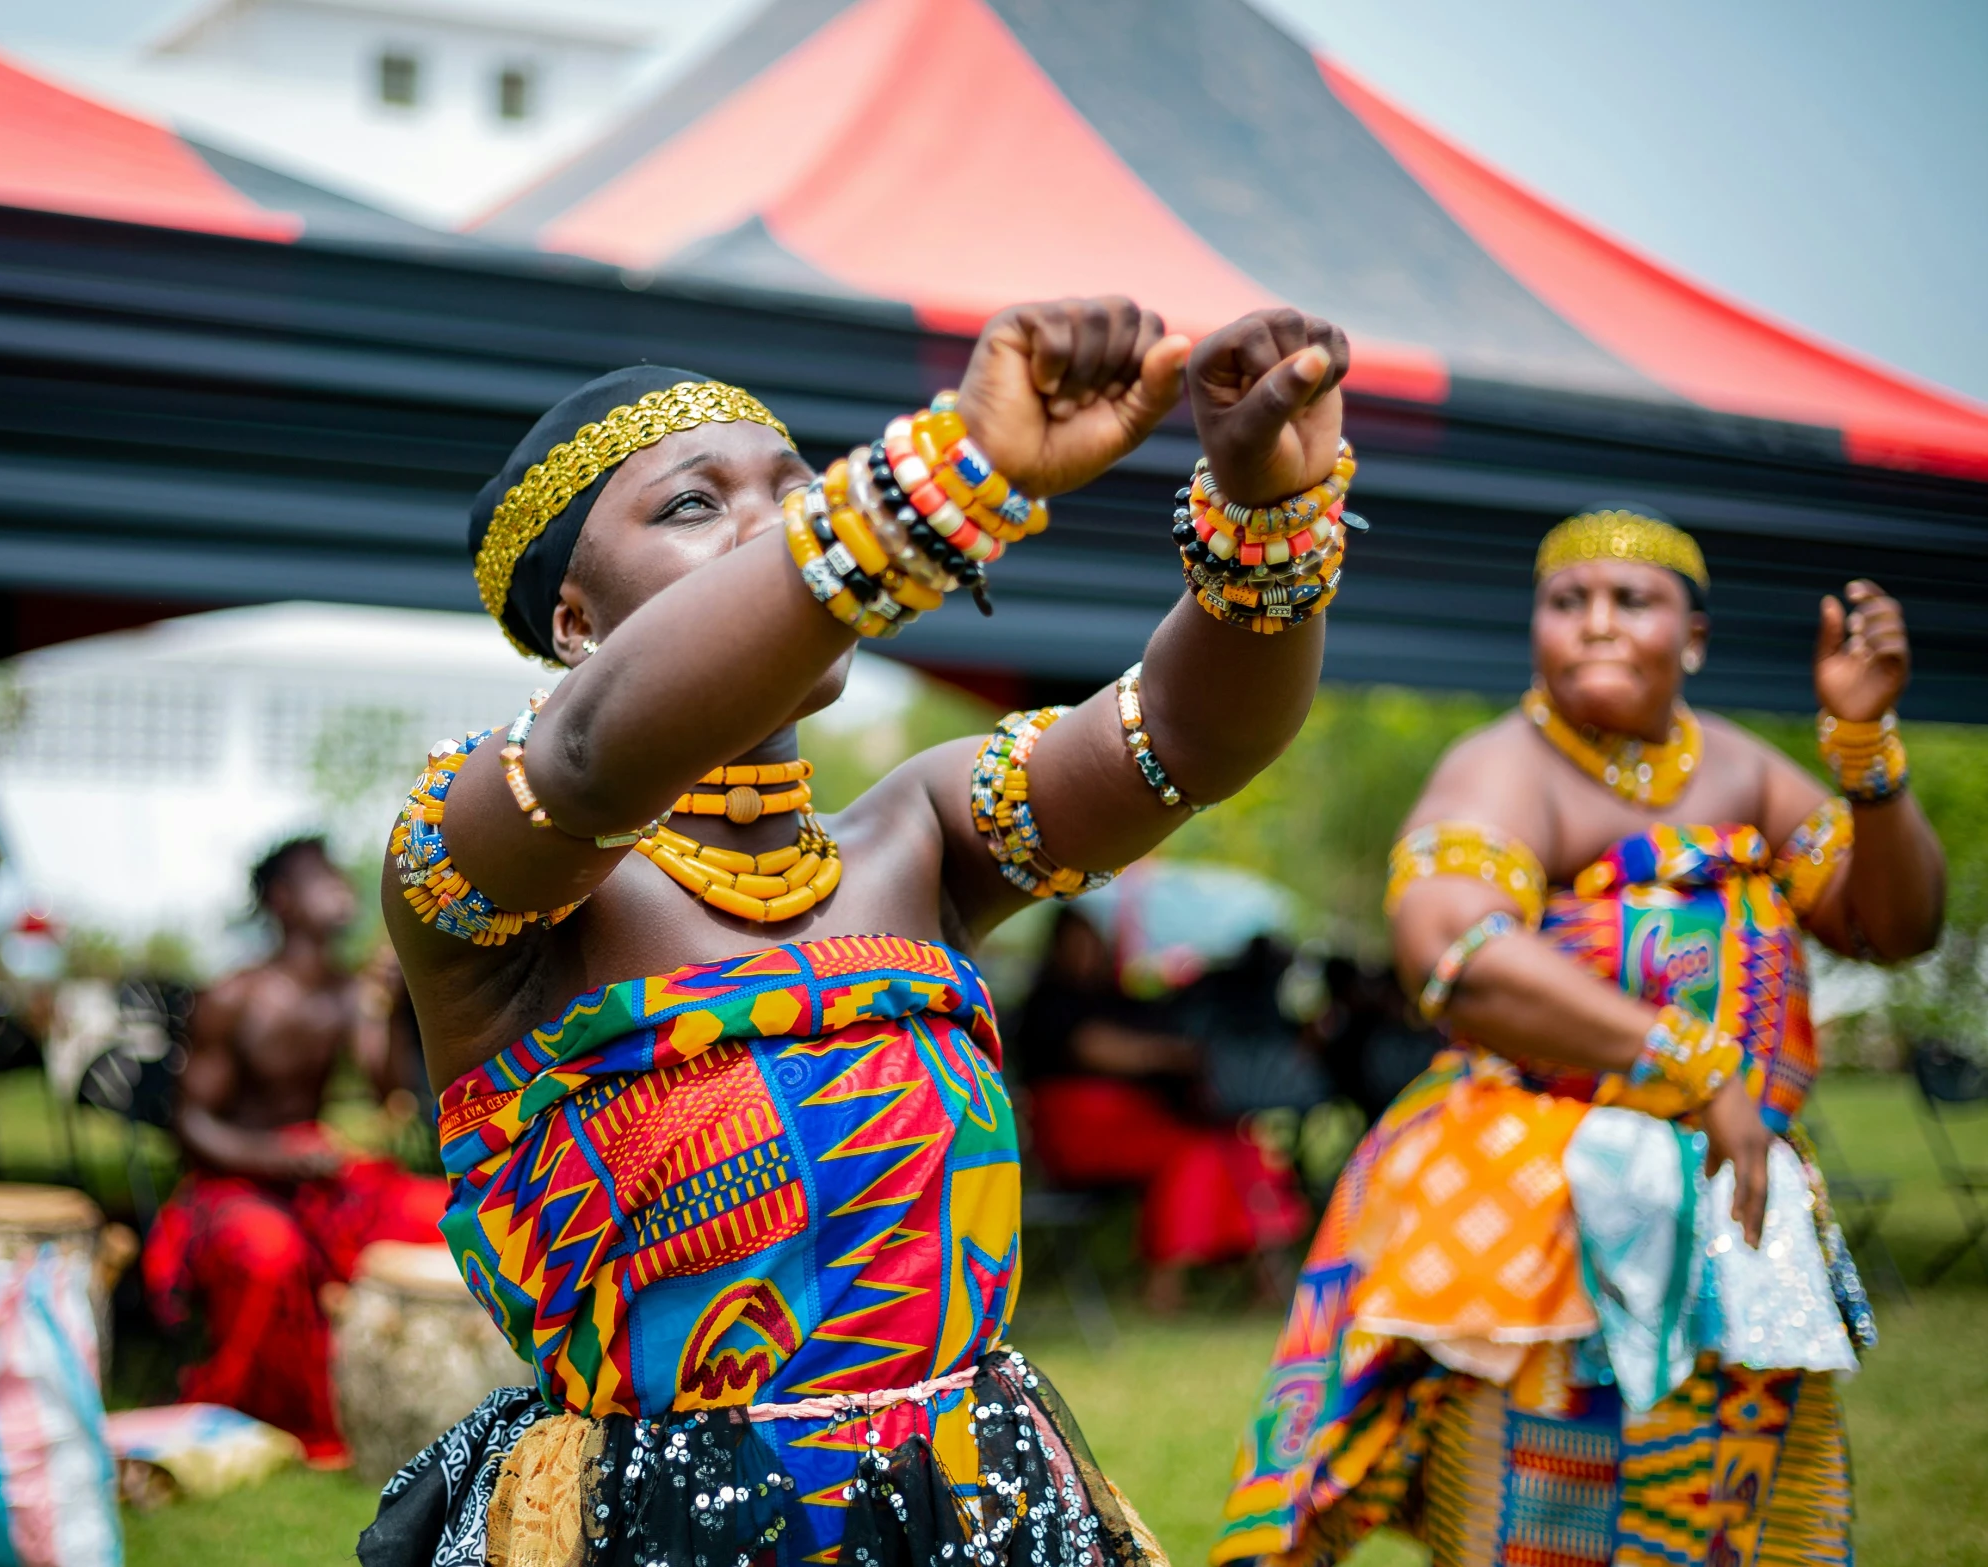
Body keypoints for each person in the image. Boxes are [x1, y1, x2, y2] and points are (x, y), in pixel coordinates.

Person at [361, 298, 1360, 1567]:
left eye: (796, 488)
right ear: (572, 623)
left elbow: (1186, 740)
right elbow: (590, 753)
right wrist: (944, 477)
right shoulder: (482, 854)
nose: (772, 522)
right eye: (690, 504)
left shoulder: (922, 833)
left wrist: (1266, 511)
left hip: (972, 1501)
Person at [1215, 511, 1944, 1564]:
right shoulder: (1503, 767)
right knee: (1540, 1511)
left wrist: (1867, 757)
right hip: (1527, 1212)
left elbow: (1893, 925)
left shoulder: (1747, 770)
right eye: (1567, 602)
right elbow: (1449, 950)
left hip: (1728, 1206)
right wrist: (1692, 1062)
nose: (1595, 626)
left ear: (1691, 636)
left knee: (1731, 1506)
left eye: (1631, 601)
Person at [143, 835, 452, 1467]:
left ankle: (424, 1396)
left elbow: (386, 1090)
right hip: (233, 1183)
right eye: (323, 878)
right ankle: (253, 1409)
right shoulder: (235, 996)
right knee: (268, 1251)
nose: (341, 888)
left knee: (438, 1211)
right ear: (282, 901)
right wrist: (280, 1159)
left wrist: (385, 1009)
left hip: (312, 1175)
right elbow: (192, 1126)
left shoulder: (349, 992)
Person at [1014, 907, 1308, 1312]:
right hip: (1079, 1132)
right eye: (1077, 941)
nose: (1087, 951)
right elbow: (1096, 1048)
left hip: (1137, 1123)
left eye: (1093, 941)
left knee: (1235, 1144)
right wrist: (1172, 1055)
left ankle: (1266, 1280)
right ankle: (1164, 1287)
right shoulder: (1049, 1003)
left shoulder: (1119, 998)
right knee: (1192, 1153)